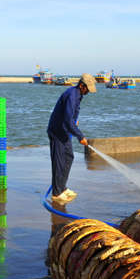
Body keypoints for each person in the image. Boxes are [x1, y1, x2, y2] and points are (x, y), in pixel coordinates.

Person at [47, 73, 97, 204]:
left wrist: (75, 121)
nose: (89, 91)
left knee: (69, 157)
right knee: (59, 162)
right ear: (82, 85)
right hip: (57, 131)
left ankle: (62, 187)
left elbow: (71, 117)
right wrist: (80, 136)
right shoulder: (71, 95)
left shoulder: (78, 95)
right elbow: (68, 120)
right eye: (88, 88)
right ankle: (57, 193)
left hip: (65, 131)